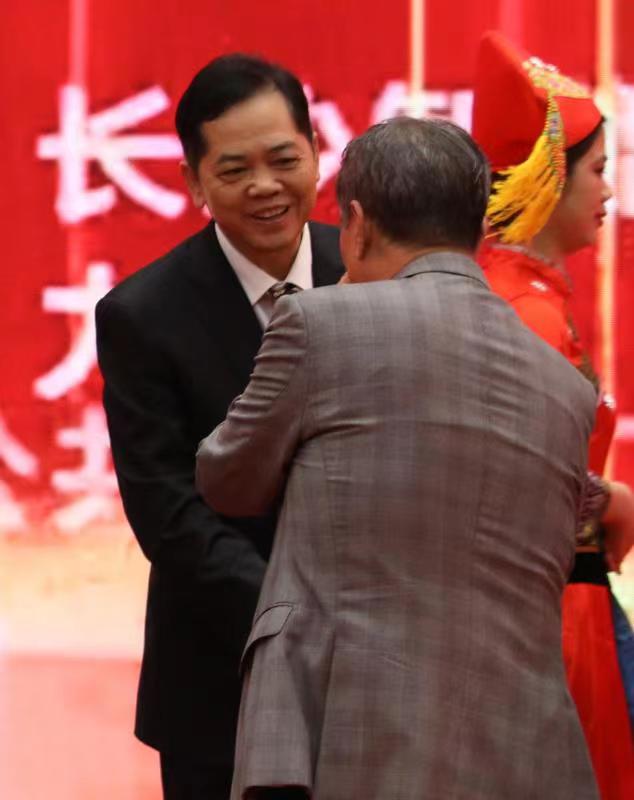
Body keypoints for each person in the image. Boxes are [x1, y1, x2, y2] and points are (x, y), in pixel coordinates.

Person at [196, 117, 599, 800]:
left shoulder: (320, 321)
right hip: (524, 750)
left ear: (355, 226)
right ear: (477, 230)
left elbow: (226, 477)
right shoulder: (566, 388)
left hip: (344, 733)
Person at [95, 54, 343, 799]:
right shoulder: (143, 315)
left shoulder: (373, 274)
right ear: (194, 182)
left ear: (316, 153)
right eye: (235, 170)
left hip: (374, 678)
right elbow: (167, 513)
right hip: (219, 680)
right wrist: (296, 615)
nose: (265, 186)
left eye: (283, 160)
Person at [472, 32, 634, 799]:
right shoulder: (525, 313)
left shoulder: (522, 293)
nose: (609, 193)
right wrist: (612, 500)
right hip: (553, 610)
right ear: (548, 181)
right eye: (598, 171)